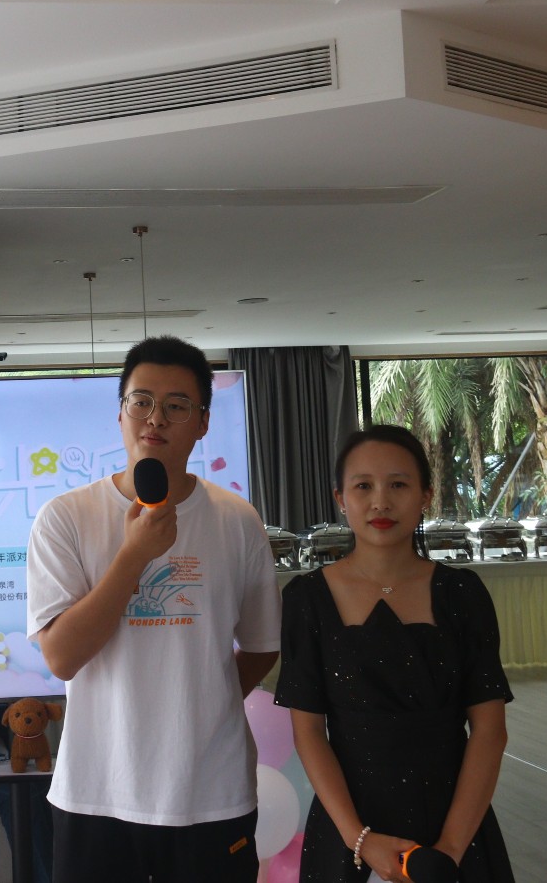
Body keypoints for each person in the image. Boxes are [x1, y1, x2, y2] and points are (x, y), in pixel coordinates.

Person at [26, 335, 282, 883]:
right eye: (140, 401)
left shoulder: (237, 520)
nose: (155, 418)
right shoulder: (65, 518)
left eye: (176, 405)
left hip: (211, 793)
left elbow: (262, 647)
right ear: (120, 413)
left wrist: (199, 699)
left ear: (203, 422)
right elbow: (62, 657)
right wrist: (135, 555)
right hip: (96, 792)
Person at [275, 424, 513, 882]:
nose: (380, 502)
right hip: (348, 829)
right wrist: (359, 839)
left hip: (454, 824)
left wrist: (448, 851)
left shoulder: (461, 593)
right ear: (341, 499)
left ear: (425, 496)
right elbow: (309, 733)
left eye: (398, 485)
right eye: (363, 486)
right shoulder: (306, 599)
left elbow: (489, 730)